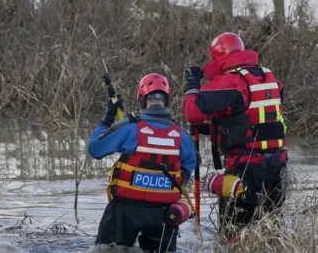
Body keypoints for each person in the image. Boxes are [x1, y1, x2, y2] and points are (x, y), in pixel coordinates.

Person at [183, 32, 288, 242]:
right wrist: (213, 130)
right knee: (270, 234)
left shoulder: (232, 81)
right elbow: (250, 119)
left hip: (245, 170)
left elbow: (192, 112)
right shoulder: (269, 78)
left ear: (216, 58)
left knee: (232, 237)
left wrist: (192, 85)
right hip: (277, 169)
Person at [88, 73, 197, 252]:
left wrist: (108, 118)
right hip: (164, 215)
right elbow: (186, 173)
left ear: (142, 99)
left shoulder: (130, 128)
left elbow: (95, 149)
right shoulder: (183, 136)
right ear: (166, 100)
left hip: (124, 212)